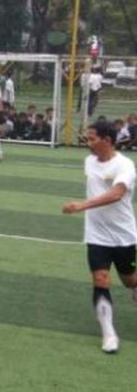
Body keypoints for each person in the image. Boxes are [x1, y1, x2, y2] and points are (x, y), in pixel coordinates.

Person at [62, 121, 137, 354]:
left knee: (130, 281)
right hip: (96, 236)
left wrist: (82, 206)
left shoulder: (126, 165)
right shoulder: (88, 162)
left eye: (93, 138)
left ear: (107, 140)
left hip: (124, 236)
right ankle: (109, 333)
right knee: (100, 280)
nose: (88, 142)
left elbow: (117, 194)